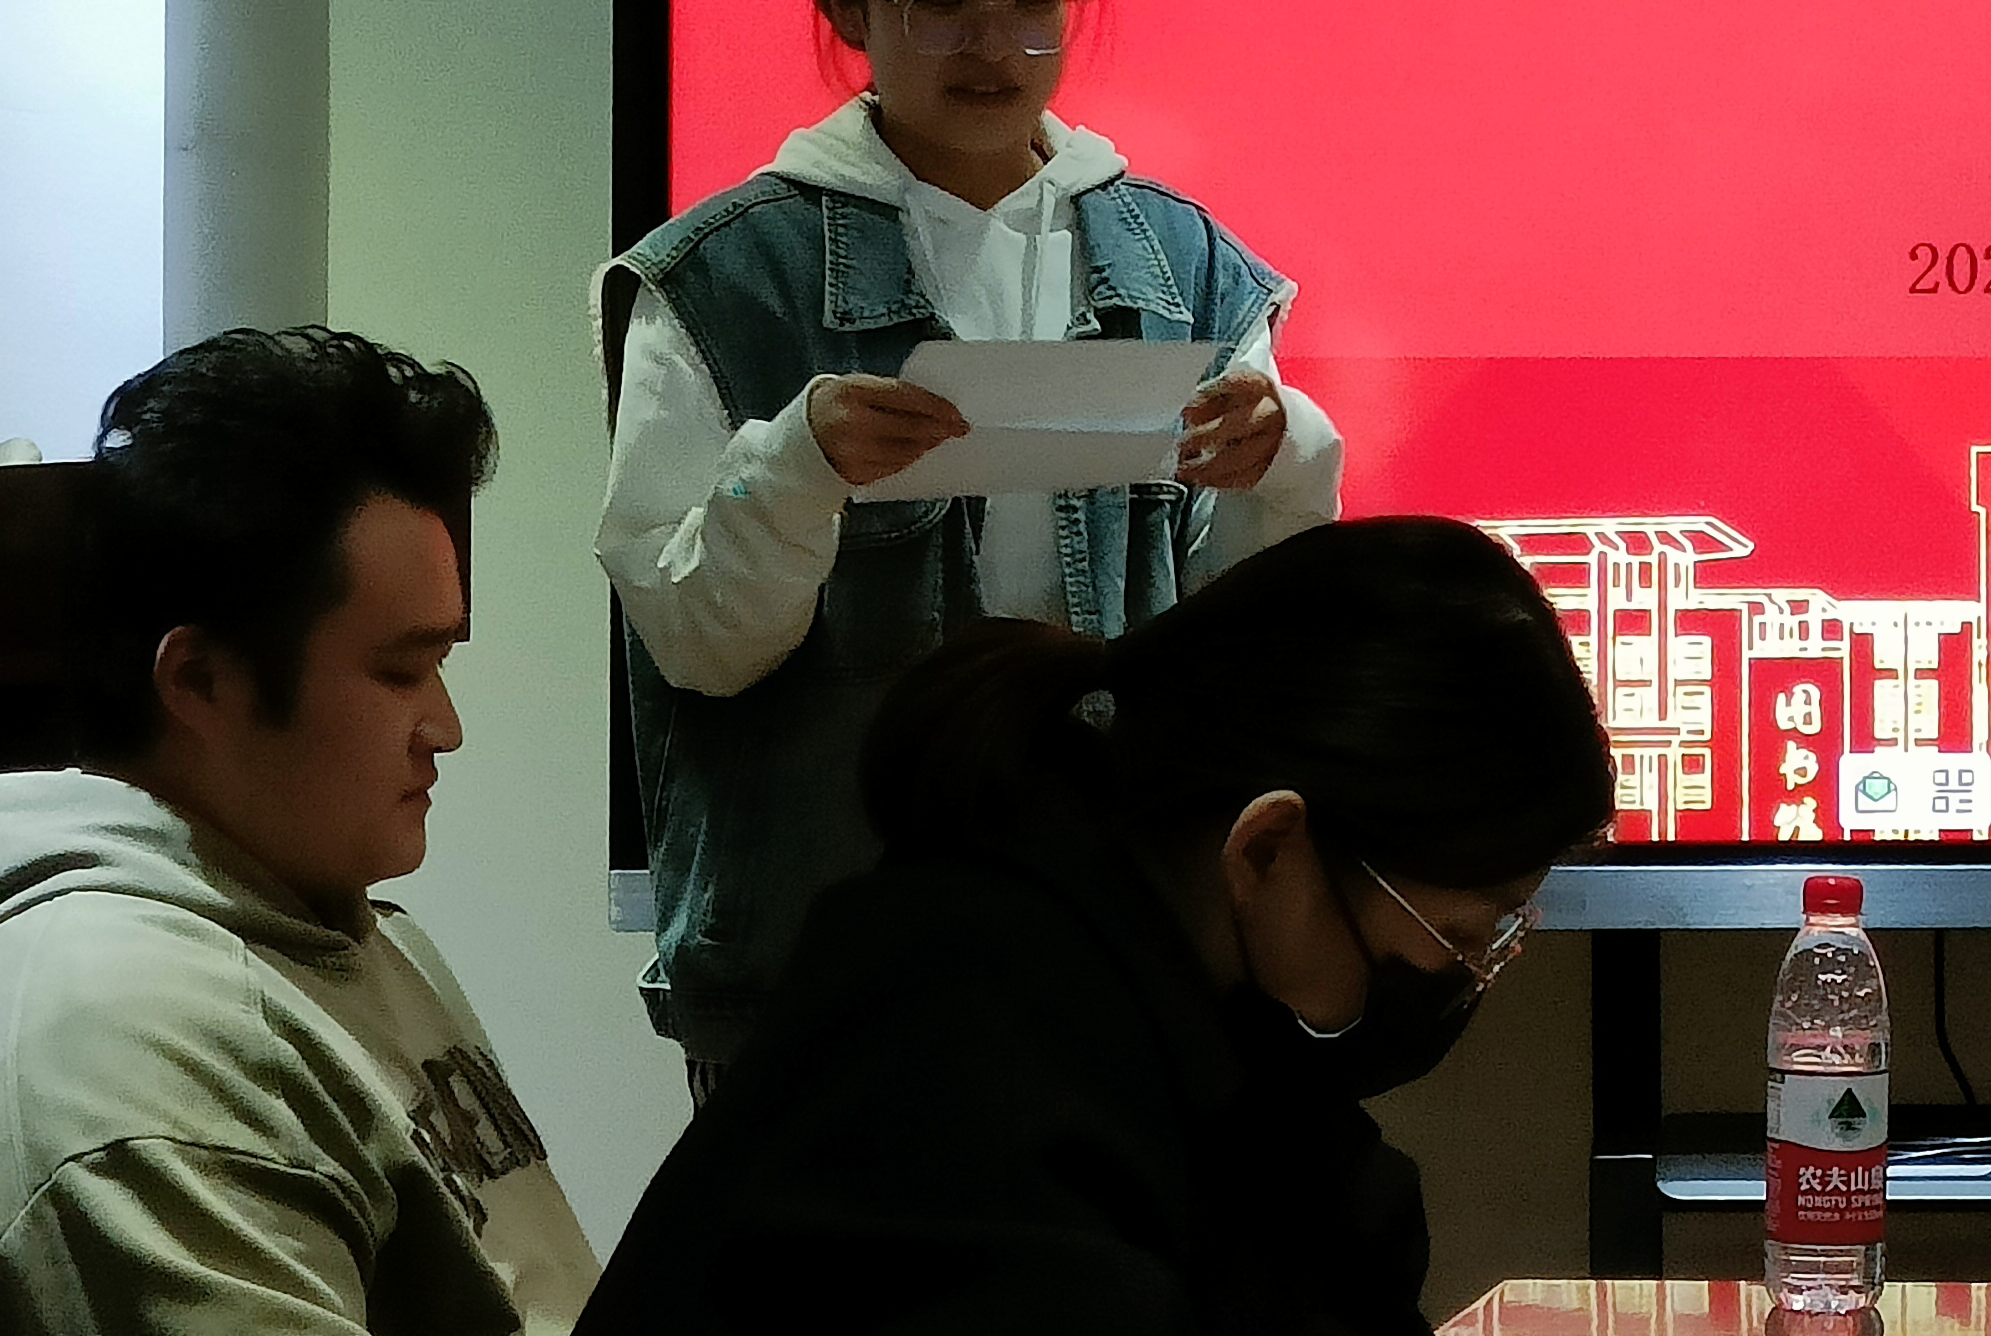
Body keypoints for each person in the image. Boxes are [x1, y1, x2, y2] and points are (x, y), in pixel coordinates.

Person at [595, 0, 1342, 1080]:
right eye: (939, 0)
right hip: (825, 985)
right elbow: (698, 646)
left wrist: (1283, 459)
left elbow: (1247, 647)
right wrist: (800, 466)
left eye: (1034, 0)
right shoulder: (723, 280)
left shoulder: (1184, 268)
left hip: (1116, 956)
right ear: (848, 6)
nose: (992, 45)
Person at [582, 516, 1611, 1336]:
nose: (1469, 975)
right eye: (1464, 935)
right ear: (1266, 848)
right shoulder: (964, 1057)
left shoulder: (1177, 1024)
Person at [0, 328, 599, 1336]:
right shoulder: (116, 1053)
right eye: (400, 671)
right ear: (202, 681)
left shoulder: (346, 931)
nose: (447, 727)